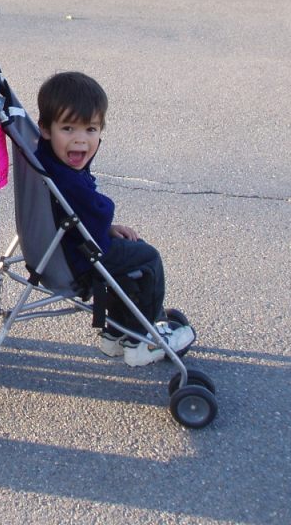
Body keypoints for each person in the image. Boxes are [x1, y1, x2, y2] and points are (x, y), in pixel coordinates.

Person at [34, 71, 194, 367]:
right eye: (68, 129)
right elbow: (98, 210)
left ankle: (116, 334)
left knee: (129, 254)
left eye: (91, 130)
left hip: (65, 245)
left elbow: (85, 217)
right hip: (78, 258)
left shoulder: (43, 155)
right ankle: (143, 340)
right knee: (146, 258)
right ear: (45, 129)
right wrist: (106, 220)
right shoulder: (69, 181)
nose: (80, 139)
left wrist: (106, 229)